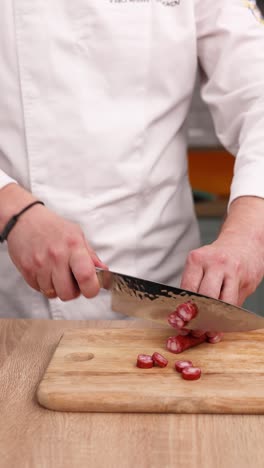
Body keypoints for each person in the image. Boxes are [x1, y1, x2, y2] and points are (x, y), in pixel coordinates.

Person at [0, 0, 263, 320]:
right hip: (11, 297)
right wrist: (11, 209)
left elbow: (257, 92)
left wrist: (248, 234)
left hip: (159, 287)